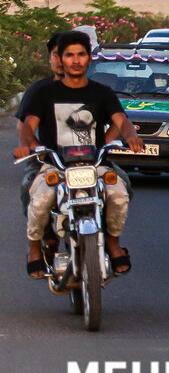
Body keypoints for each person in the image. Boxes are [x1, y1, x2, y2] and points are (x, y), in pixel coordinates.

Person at [17, 31, 145, 279]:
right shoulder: (44, 93)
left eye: (81, 55)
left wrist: (131, 136)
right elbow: (28, 125)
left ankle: (112, 241)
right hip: (56, 165)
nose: (75, 60)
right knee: (41, 197)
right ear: (60, 60)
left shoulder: (102, 92)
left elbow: (121, 120)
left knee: (118, 193)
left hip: (94, 164)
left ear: (89, 58)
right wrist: (28, 145)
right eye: (69, 55)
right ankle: (35, 247)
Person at [14, 33, 65, 216]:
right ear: (50, 58)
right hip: (50, 160)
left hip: (88, 160)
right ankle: (40, 240)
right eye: (56, 54)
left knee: (121, 183)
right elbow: (23, 127)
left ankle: (109, 237)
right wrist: (38, 149)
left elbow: (117, 123)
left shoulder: (96, 90)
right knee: (29, 186)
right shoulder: (38, 90)